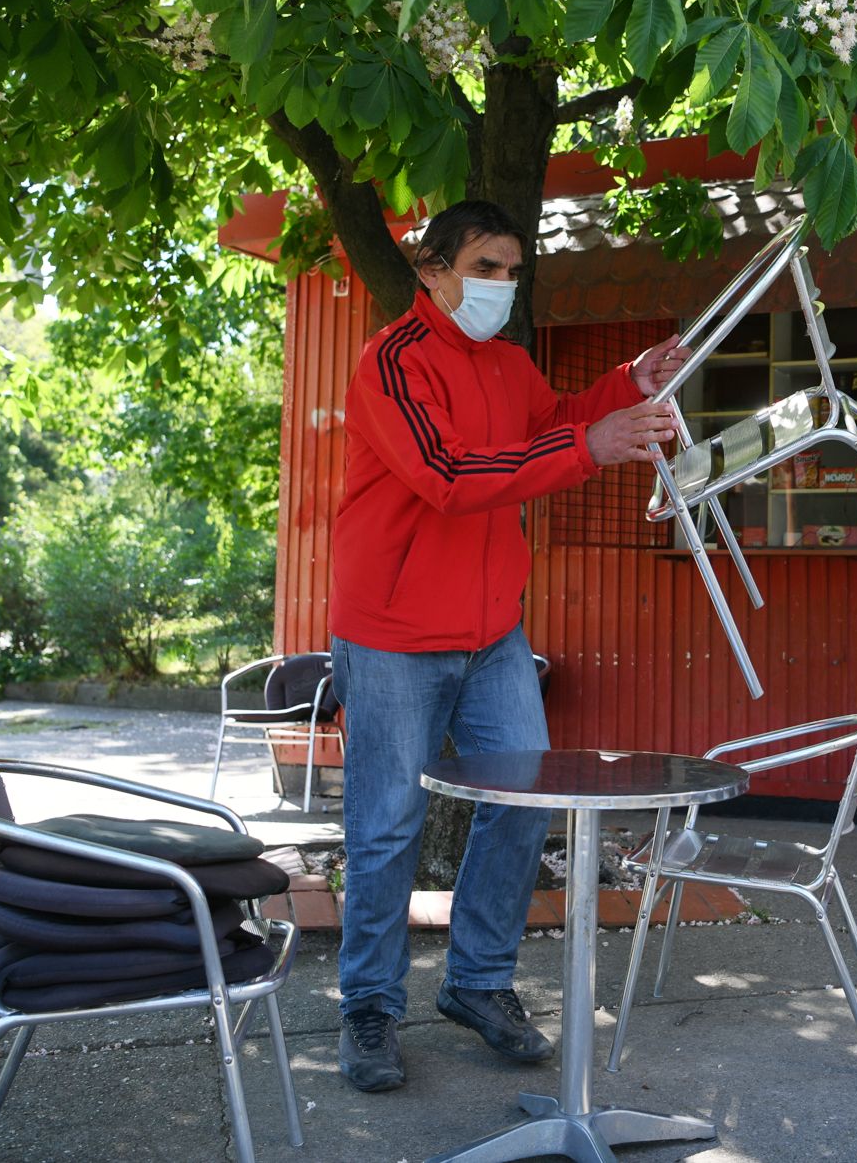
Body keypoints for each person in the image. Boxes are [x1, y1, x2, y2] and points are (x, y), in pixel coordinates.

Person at [326, 199, 687, 1093]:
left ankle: (478, 984)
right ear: (431, 270)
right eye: (486, 267)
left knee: (526, 802)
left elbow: (552, 421)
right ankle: (369, 1008)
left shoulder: (509, 360)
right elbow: (449, 477)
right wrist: (590, 447)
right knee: (385, 829)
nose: (502, 283)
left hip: (492, 632)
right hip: (393, 632)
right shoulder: (391, 362)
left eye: (512, 269)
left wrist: (627, 383)